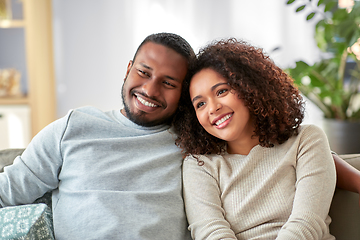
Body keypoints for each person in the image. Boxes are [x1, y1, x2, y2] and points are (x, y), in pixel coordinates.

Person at [0, 32, 194, 240]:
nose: (150, 90)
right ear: (128, 70)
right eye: (143, 72)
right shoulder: (74, 127)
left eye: (168, 83)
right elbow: (8, 190)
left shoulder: (192, 146)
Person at [173, 38, 337, 239]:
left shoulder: (306, 140)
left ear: (249, 87)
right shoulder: (199, 165)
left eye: (222, 91)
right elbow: (211, 233)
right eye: (200, 104)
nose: (213, 108)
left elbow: (307, 224)